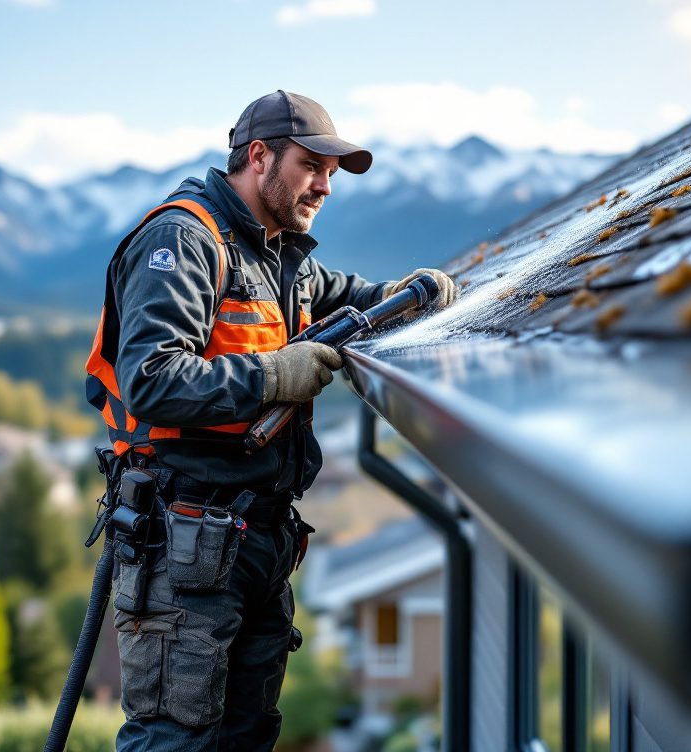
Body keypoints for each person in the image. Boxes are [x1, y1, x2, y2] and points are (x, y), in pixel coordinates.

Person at [85, 90, 458, 751]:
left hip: (255, 541)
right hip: (184, 546)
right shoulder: (184, 241)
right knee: (177, 740)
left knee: (246, 736)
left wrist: (417, 294)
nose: (324, 185)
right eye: (312, 166)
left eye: (332, 173)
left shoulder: (280, 254)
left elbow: (351, 295)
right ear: (259, 157)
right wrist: (271, 376)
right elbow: (149, 379)